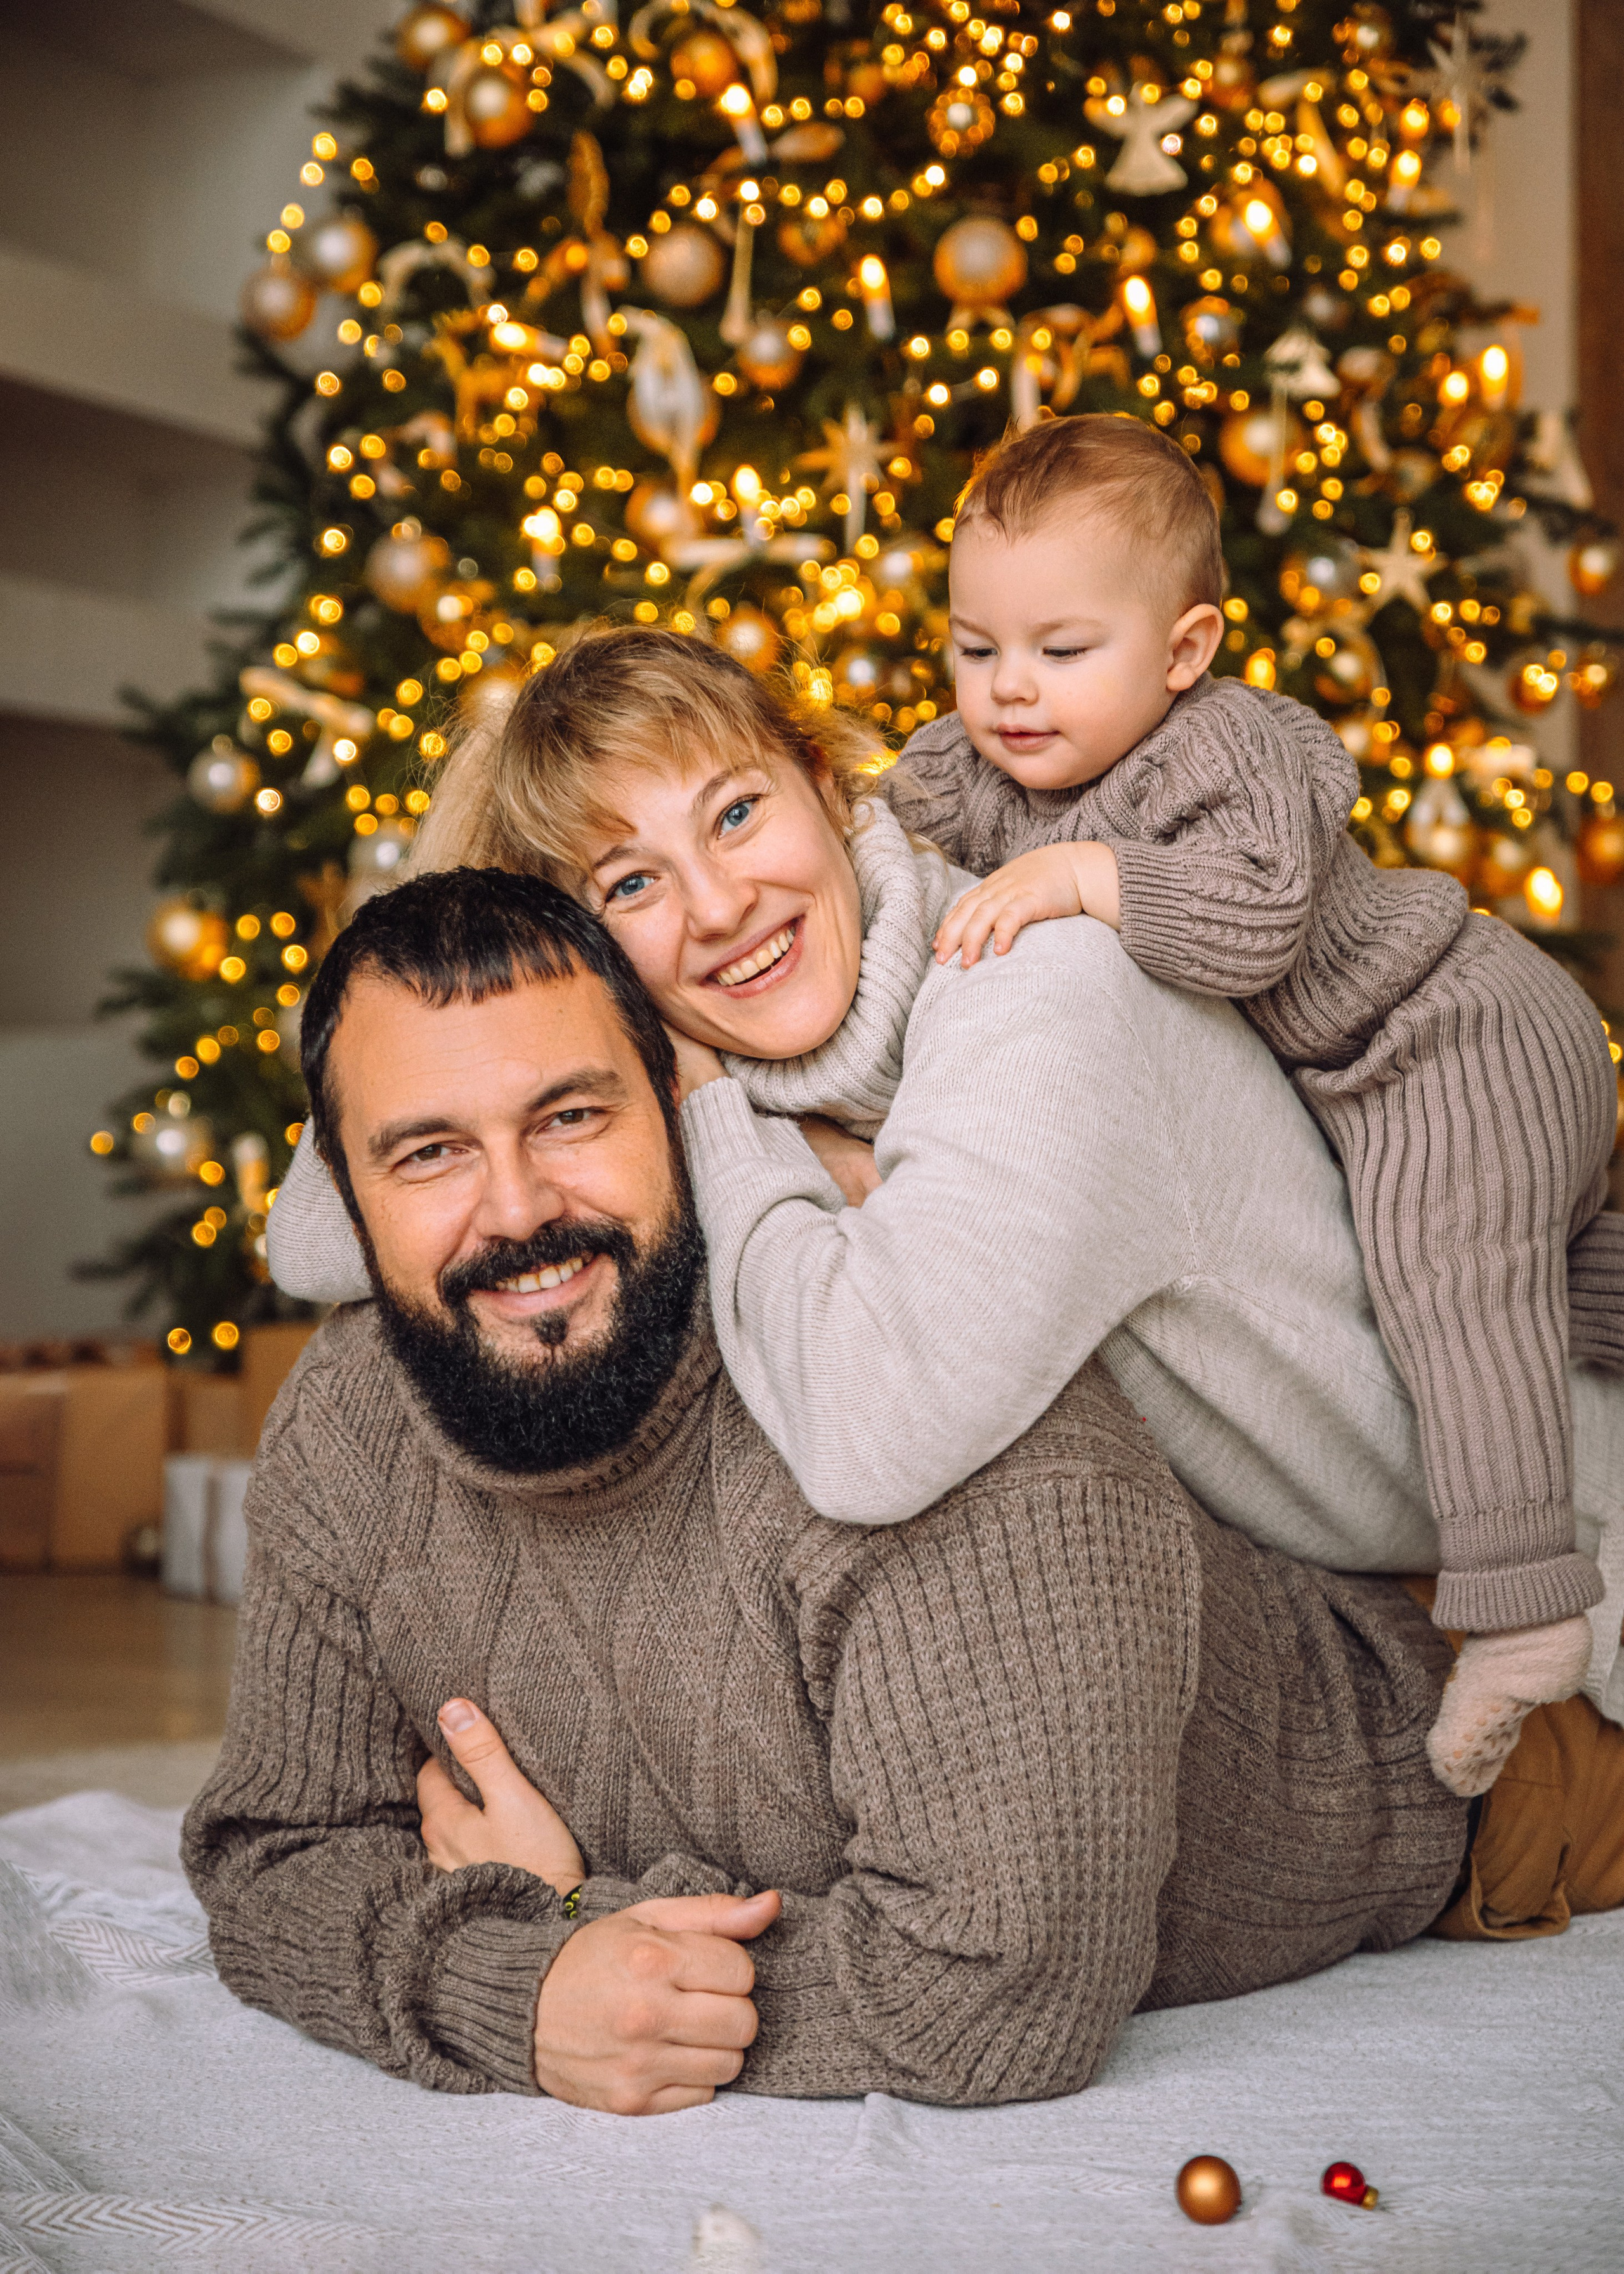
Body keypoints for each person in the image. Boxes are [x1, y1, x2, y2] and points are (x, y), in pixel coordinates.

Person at [186, 863, 1474, 2111]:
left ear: (680, 1108)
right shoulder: (356, 1416)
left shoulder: (908, 1397)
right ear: (347, 1196)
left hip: (1486, 1780)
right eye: (426, 1154)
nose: (516, 1209)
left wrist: (582, 1922)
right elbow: (276, 1849)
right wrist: (510, 1981)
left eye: (572, 1116)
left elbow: (996, 1988)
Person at [267, 626, 1624, 1788]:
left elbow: (869, 1436)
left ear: (823, 781)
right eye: (630, 883)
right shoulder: (749, 1069)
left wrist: (707, 1118)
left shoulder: (1043, 985)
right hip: (1372, 1574)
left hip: (1572, 1542)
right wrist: (505, 1007)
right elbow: (324, 1230)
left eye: (738, 812)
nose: (723, 902)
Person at [905, 415, 1624, 1796]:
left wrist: (1086, 880)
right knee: (1548, 1286)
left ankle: (1524, 1607)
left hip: (1446, 1032)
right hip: (1366, 1082)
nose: (1008, 690)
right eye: (972, 644)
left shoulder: (1219, 744)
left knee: (1450, 1284)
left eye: (1061, 651)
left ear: (1180, 652)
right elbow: (879, 812)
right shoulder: (990, 760)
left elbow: (1251, 924)